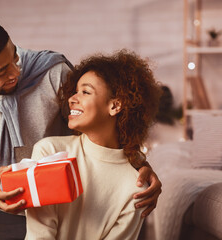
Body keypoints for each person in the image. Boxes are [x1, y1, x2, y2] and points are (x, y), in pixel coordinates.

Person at [0, 14, 161, 239]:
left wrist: (137, 163)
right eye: (2, 72)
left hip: (74, 206)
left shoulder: (50, 72)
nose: (16, 72)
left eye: (14, 57)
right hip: (7, 219)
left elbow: (104, 122)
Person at [25, 50, 162, 240]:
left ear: (115, 106)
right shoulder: (50, 152)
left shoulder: (136, 187)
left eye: (86, 92)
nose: (72, 99)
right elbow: (39, 234)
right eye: (75, 91)